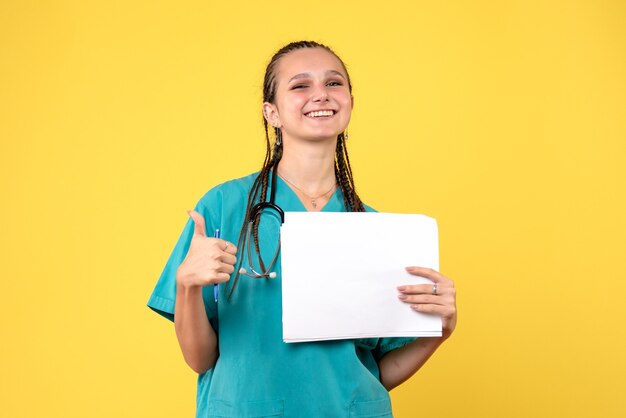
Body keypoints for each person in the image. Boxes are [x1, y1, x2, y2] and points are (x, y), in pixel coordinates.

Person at [147, 40, 457, 418]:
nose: (320, 95)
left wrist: (439, 332)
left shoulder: (375, 229)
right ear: (271, 112)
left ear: (350, 103)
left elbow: (377, 374)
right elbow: (199, 360)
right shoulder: (223, 208)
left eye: (333, 83)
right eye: (300, 85)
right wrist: (186, 285)